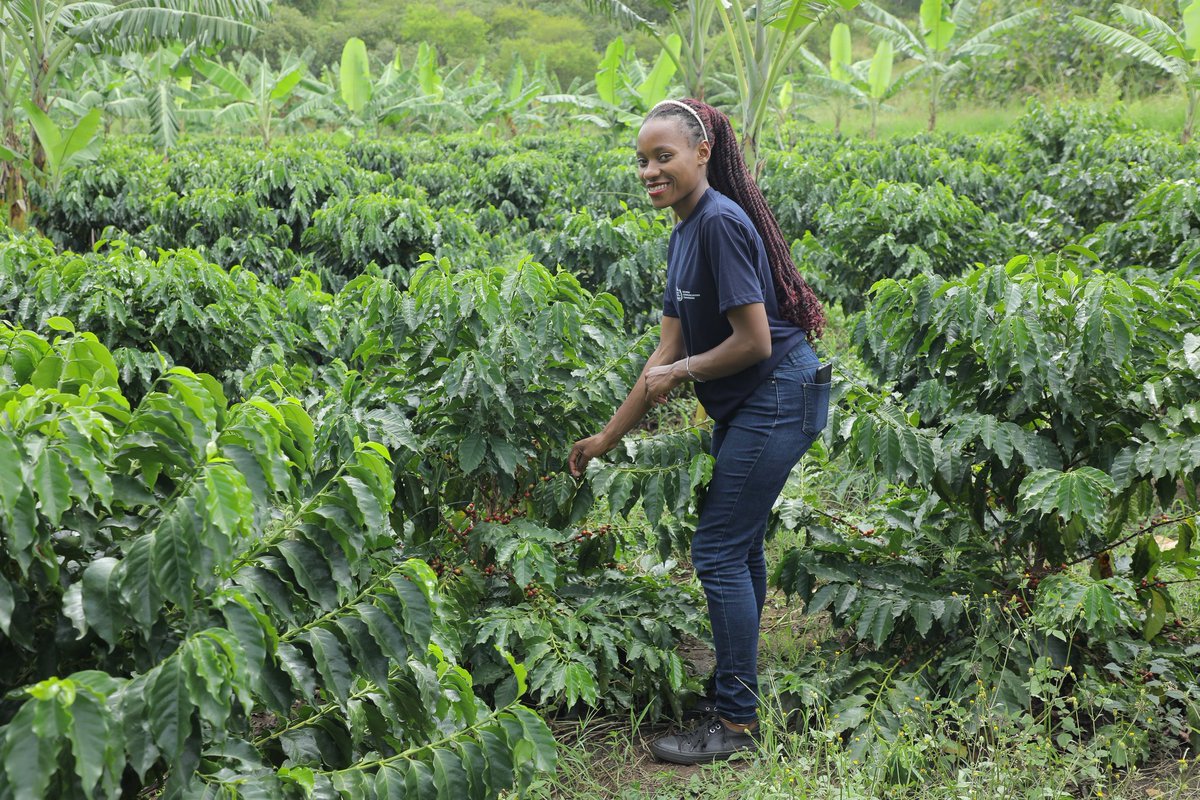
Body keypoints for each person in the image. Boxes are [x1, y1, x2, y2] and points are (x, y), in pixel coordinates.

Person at [567, 98, 832, 765]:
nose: (650, 171)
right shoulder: (684, 232)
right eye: (643, 161)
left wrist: (683, 372)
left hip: (778, 393)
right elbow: (664, 353)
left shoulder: (719, 224)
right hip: (755, 401)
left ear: (702, 152)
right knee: (737, 549)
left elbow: (750, 342)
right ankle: (733, 692)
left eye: (664, 157)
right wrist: (606, 438)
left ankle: (736, 725)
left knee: (716, 550)